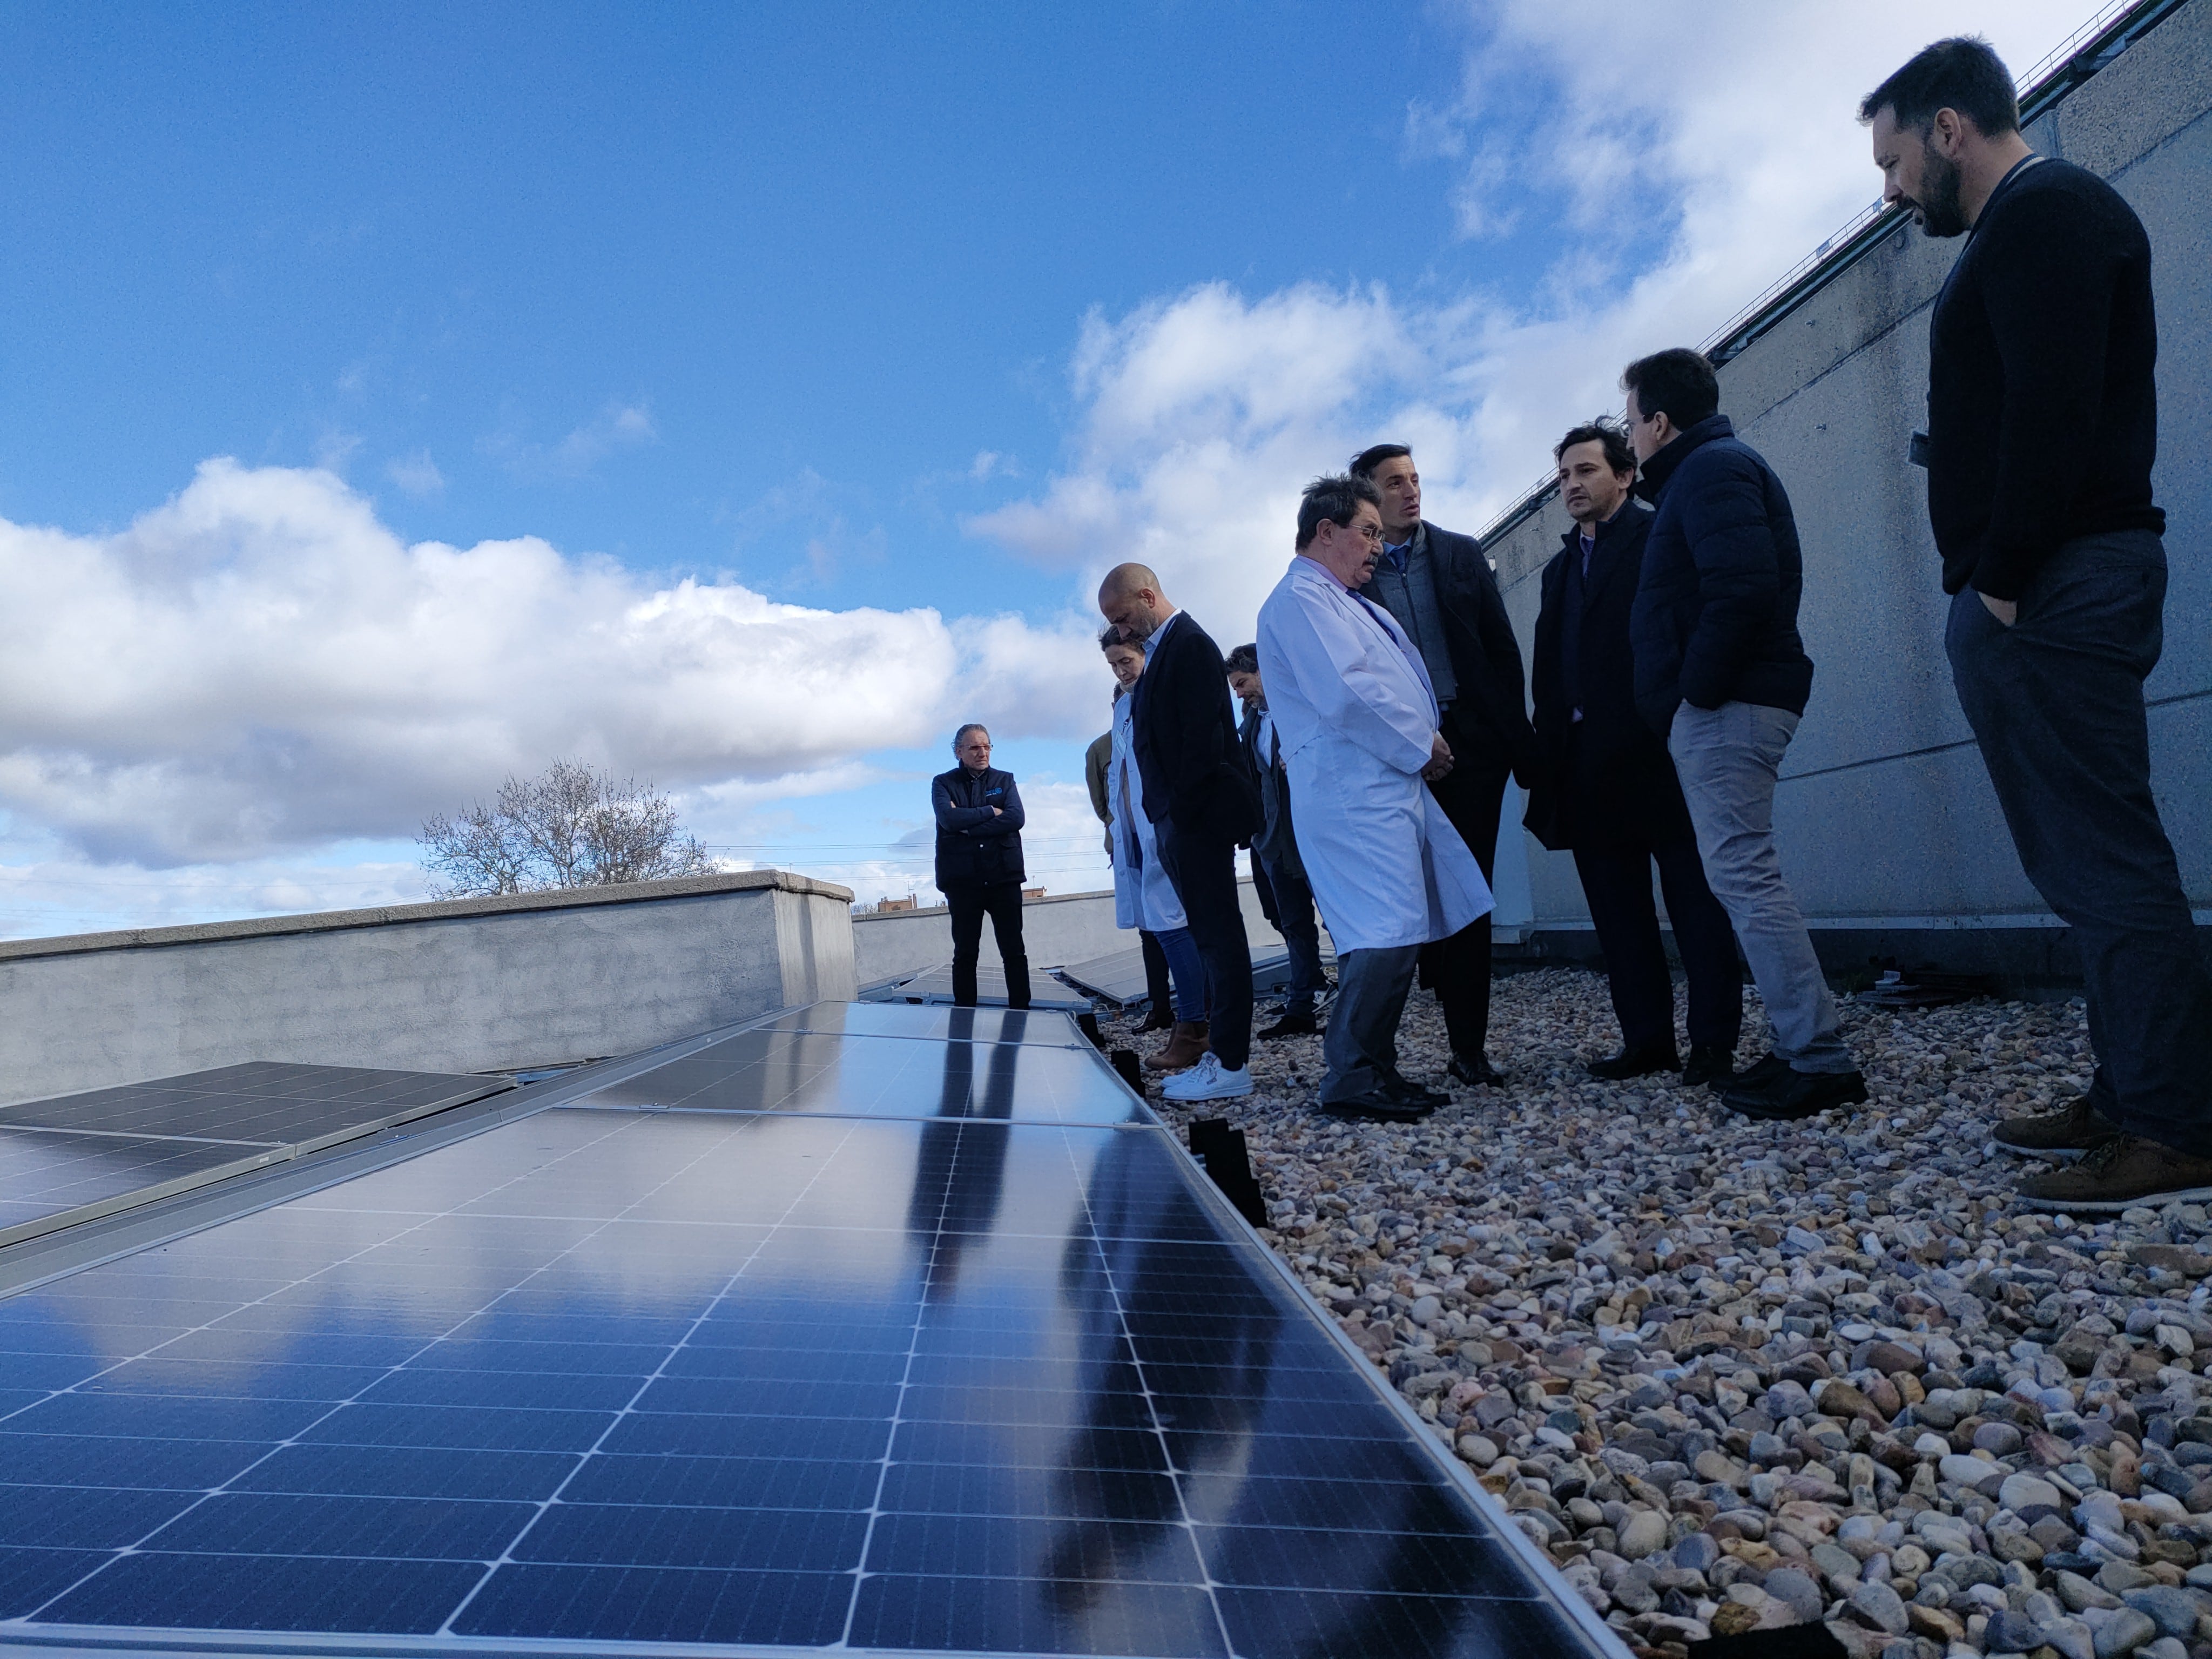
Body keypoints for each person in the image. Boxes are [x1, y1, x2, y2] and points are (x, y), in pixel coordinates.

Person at [1862, 39, 2212, 1207]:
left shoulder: (2045, 212)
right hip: (2044, 585)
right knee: (2082, 864)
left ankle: (2171, 1125)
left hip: (2053, 586)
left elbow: (2053, 410)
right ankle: (2130, 1096)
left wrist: (2001, 577)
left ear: (1949, 129)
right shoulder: (2036, 221)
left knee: (2105, 867)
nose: (1892, 190)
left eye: (1897, 160)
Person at [1624, 348, 1865, 1121]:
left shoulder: (1712, 471)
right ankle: (1803, 1047)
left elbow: (1745, 587)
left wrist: (1694, 693)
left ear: (1660, 422)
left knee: (1746, 878)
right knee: (1745, 877)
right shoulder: (1706, 473)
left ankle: (1819, 1060)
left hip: (1728, 704)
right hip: (1727, 702)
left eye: (1630, 424)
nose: (1628, 440)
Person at [1256, 474, 1492, 1122]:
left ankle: (1373, 1069)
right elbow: (1347, 692)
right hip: (1353, 792)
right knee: (1383, 932)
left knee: (1392, 930)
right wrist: (1425, 744)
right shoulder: (1300, 600)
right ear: (1323, 532)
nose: (1378, 549)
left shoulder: (1339, 600)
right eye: (1368, 533)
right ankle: (1352, 1076)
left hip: (1378, 786)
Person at [1526, 422, 1744, 1085]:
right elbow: (1551, 668)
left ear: (1623, 475)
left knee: (1697, 907)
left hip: (1660, 753)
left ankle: (1712, 1045)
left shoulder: (1659, 538)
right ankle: (1647, 1040)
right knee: (1619, 917)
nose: (1572, 485)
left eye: (1586, 471)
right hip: (1587, 764)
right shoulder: (1559, 569)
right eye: (1564, 475)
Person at [1350, 443, 1535, 1087]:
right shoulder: (1352, 574)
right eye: (1394, 483)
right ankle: (1375, 1057)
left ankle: (1468, 1049)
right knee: (1399, 902)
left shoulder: (1457, 552)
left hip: (1471, 747)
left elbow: (1500, 649)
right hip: (1393, 757)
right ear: (1367, 496)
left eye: (1415, 480)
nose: (1410, 491)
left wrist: (1514, 740)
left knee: (1470, 897)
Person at [1097, 563, 1260, 1103]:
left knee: (1219, 939)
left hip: (1194, 822)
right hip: (1178, 822)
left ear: (1148, 596)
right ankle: (1220, 1055)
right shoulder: (1168, 649)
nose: (1121, 632)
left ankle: (1230, 1061)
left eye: (1122, 619)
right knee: (1211, 938)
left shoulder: (1188, 645)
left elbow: (1201, 744)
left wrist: (1179, 817)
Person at [1100, 630, 1213, 1069]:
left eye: (1125, 660)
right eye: (1113, 665)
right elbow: (1121, 778)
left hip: (1168, 829)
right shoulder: (1125, 706)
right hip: (1138, 835)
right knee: (1163, 927)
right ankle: (1188, 1026)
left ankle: (1195, 1027)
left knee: (1174, 927)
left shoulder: (1160, 695)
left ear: (1145, 653)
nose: (1120, 670)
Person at [1226, 644, 1326, 1038]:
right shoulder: (1251, 724)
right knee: (1294, 923)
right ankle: (1302, 1006)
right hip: (1273, 841)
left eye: (1243, 683)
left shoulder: (1303, 709)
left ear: (1264, 672)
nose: (1239, 694)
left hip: (1314, 834)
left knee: (1339, 917)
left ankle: (1361, 1002)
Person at [930, 724, 1031, 1010]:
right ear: (959, 752)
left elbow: (1015, 818)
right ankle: (965, 1018)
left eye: (987, 746)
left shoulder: (1005, 780)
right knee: (965, 954)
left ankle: (1022, 1013)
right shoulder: (943, 783)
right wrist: (989, 812)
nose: (982, 753)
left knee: (1014, 951)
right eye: (975, 747)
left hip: (1003, 878)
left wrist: (971, 827)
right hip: (963, 882)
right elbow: (949, 821)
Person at [1086, 716, 1175, 1030]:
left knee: (1181, 925)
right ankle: (1160, 1007)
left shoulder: (1161, 730)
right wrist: (1122, 826)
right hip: (1129, 845)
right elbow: (1101, 802)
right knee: (1147, 928)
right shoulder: (1100, 749)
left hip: (1165, 838)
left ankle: (1200, 1006)